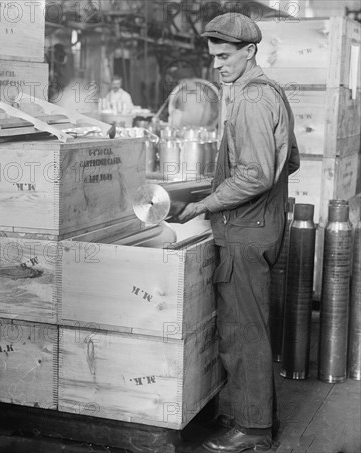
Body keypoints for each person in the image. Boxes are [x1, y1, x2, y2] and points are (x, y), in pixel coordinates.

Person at [176, 12, 300, 453]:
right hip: (262, 227)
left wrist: (207, 202)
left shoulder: (250, 100)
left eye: (225, 57)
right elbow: (291, 162)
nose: (217, 66)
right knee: (253, 327)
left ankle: (253, 431)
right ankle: (257, 416)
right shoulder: (272, 93)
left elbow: (256, 175)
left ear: (249, 51)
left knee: (242, 332)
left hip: (245, 233)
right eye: (213, 57)